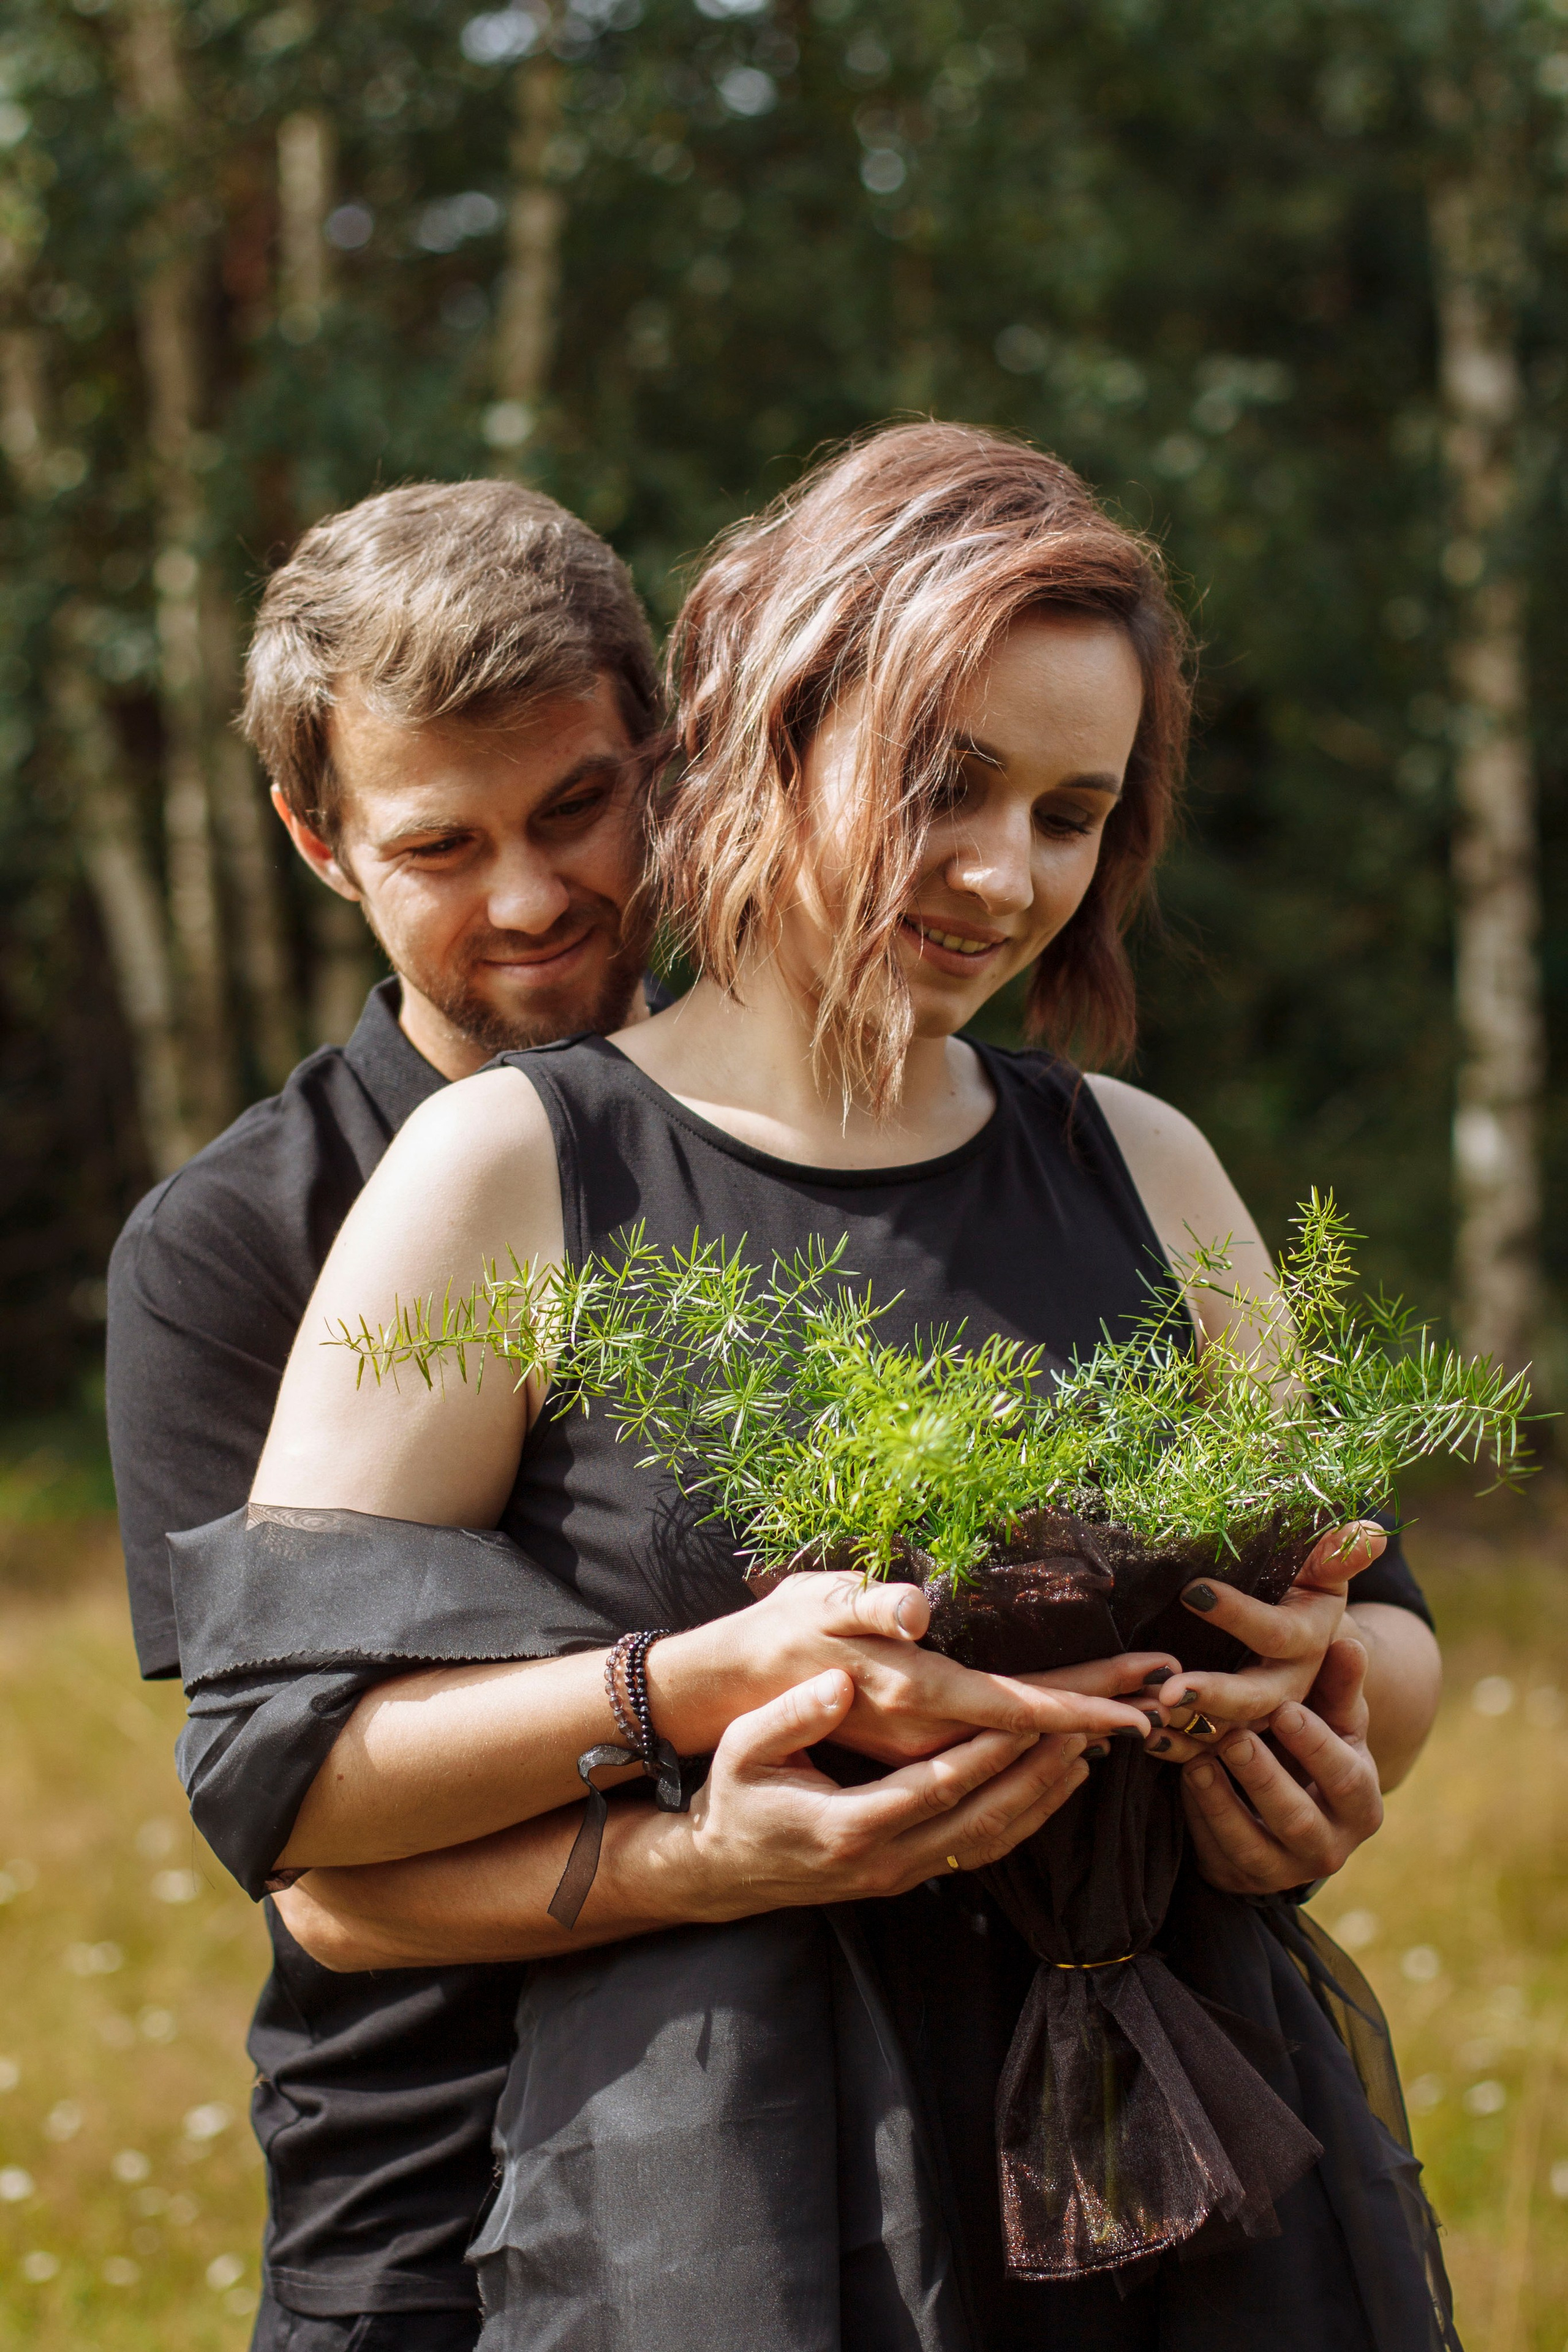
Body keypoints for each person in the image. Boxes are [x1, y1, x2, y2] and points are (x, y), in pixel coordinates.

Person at [232, 425, 1452, 2351]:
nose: (1003, 873)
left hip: (1189, 2160)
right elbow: (292, 1787)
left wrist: (1304, 1734)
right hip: (733, 2190)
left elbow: (1381, 1639)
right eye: (947, 781)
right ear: (766, 725)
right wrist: (698, 1693)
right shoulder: (511, 1171)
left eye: (1073, 812)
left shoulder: (1148, 1163)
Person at [106, 477, 668, 2351]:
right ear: (319, 840)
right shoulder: (221, 1251)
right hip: (423, 2200)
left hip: (848, 2139)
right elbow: (308, 1831)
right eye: (442, 847)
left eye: (578, 807)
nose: (530, 899)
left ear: (660, 756)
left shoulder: (825, 1134)